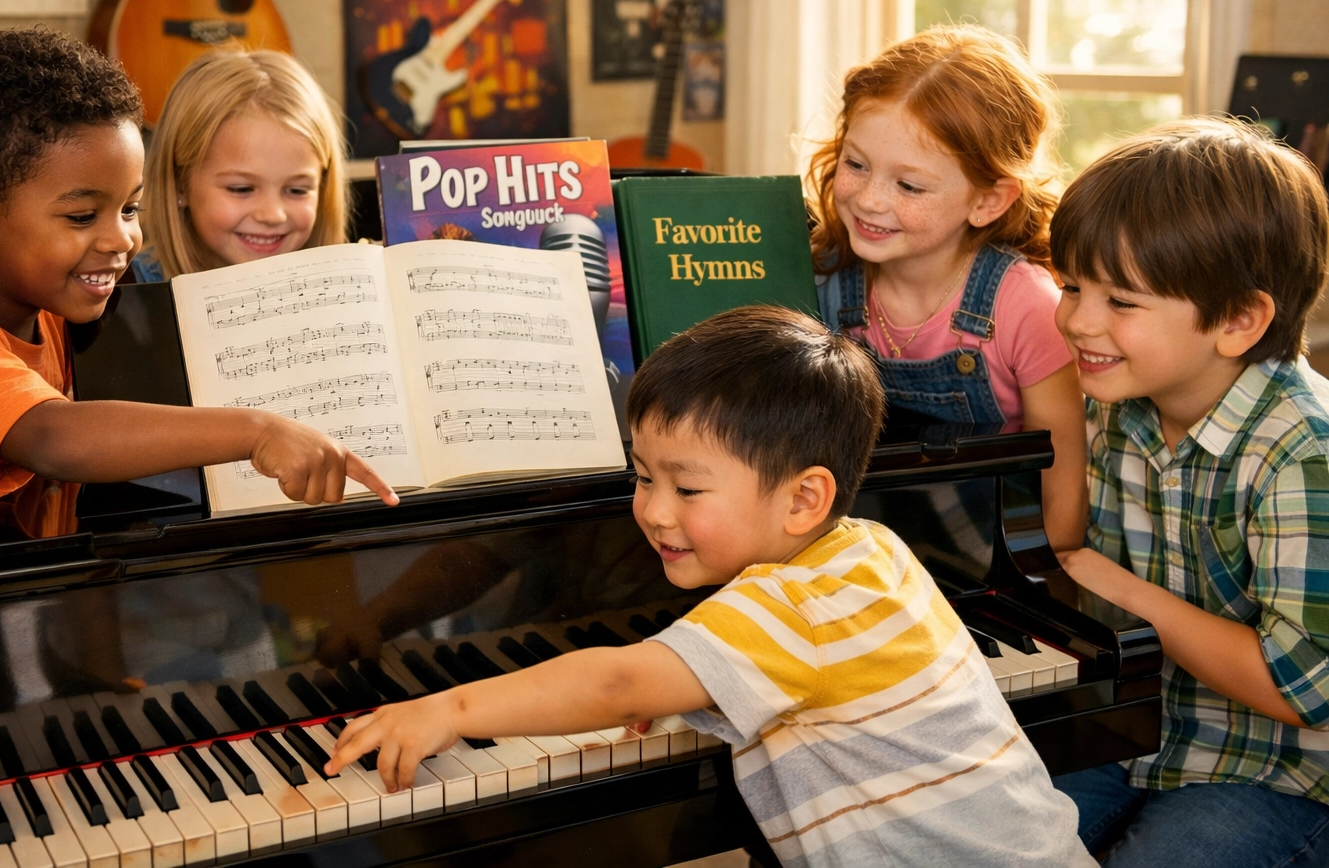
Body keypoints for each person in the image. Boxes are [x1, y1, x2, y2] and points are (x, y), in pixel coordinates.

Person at [325, 305, 1093, 868]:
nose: (652, 512)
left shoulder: (790, 605)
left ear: (803, 499)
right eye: (641, 475)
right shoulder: (869, 551)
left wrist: (451, 707)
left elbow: (621, 680)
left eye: (688, 490)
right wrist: (684, 684)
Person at [0, 28, 395, 520]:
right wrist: (258, 431)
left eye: (129, 207)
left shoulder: (40, 295)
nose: (123, 239)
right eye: (84, 215)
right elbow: (55, 438)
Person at [1047, 118, 1329, 867]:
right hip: (1132, 734)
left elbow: (1302, 687)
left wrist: (1123, 591)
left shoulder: (1304, 452)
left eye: (1121, 302)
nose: (1077, 319)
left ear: (1238, 319)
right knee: (983, 840)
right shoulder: (1116, 402)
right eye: (1073, 285)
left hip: (1281, 775)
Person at [808, 25, 1086, 550]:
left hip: (989, 560)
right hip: (854, 547)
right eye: (856, 164)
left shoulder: (1024, 303)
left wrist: (1053, 589)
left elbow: (1064, 477)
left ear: (988, 201)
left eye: (908, 186)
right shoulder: (821, 275)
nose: (869, 200)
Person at [132, 48, 350, 282]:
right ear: (180, 183)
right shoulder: (124, 292)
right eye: (241, 189)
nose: (273, 215)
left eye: (297, 190)